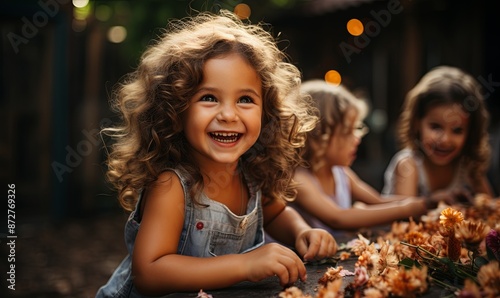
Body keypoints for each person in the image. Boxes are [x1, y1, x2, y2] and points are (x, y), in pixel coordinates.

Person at [96, 11, 337, 298]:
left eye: (245, 99)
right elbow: (149, 272)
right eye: (209, 98)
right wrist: (245, 264)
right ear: (176, 109)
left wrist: (301, 232)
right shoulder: (172, 185)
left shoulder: (251, 174)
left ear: (267, 110)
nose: (228, 114)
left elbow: (275, 214)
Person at [290, 79, 454, 234]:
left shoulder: (341, 173)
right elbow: (338, 218)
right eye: (347, 132)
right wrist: (409, 208)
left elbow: (377, 201)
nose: (357, 138)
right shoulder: (299, 179)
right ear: (318, 137)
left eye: (356, 129)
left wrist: (429, 201)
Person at [382, 66, 494, 199]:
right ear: (417, 123)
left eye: (457, 130)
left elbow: (490, 207)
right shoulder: (408, 165)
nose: (445, 139)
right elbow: (404, 216)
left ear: (471, 132)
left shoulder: (467, 167)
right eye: (436, 127)